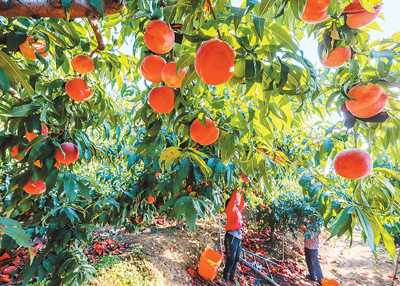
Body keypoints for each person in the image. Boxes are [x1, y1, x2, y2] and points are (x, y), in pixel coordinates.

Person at [223, 189, 245, 284]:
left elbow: (242, 204)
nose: (235, 204)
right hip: (231, 237)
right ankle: (226, 276)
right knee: (230, 258)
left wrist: (243, 193)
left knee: (236, 258)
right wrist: (236, 190)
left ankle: (232, 276)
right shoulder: (229, 210)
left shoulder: (236, 210)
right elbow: (233, 201)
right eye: (233, 203)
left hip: (238, 237)